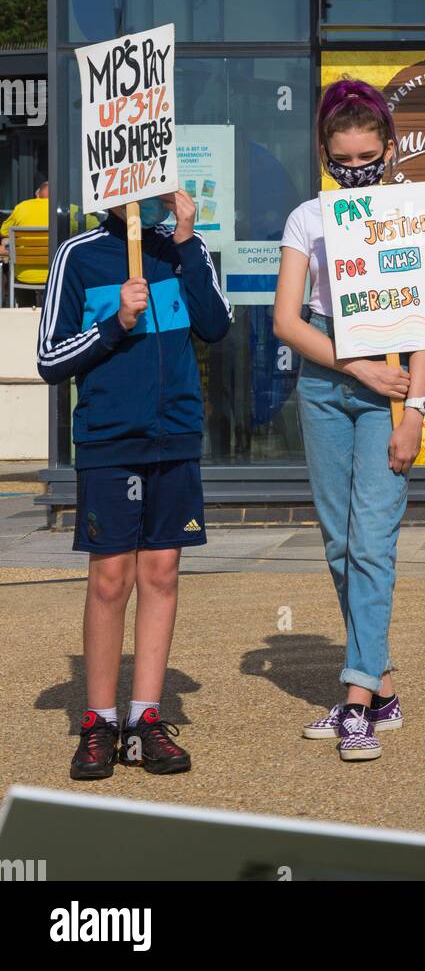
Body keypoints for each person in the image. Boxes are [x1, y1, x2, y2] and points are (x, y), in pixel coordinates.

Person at [37, 191, 231, 779]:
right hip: (108, 439)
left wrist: (189, 238)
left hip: (174, 434)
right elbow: (50, 357)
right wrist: (114, 323)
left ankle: (146, 718)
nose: (145, 200)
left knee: (161, 573)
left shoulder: (184, 250)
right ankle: (99, 721)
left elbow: (216, 326)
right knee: (110, 578)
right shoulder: (78, 254)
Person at [273, 79, 425, 762]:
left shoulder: (407, 218)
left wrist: (414, 411)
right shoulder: (307, 219)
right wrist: (355, 368)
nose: (355, 172)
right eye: (342, 163)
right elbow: (286, 321)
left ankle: (357, 702)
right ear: (324, 156)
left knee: (371, 540)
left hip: (388, 389)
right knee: (340, 544)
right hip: (327, 378)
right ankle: (380, 682)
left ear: (390, 151)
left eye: (367, 160)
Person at [0, 179, 49, 302]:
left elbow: (4, 231)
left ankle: (24, 308)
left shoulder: (22, 207)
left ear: (37, 195)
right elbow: (92, 224)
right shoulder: (65, 209)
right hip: (55, 275)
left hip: (24, 275)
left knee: (15, 271)